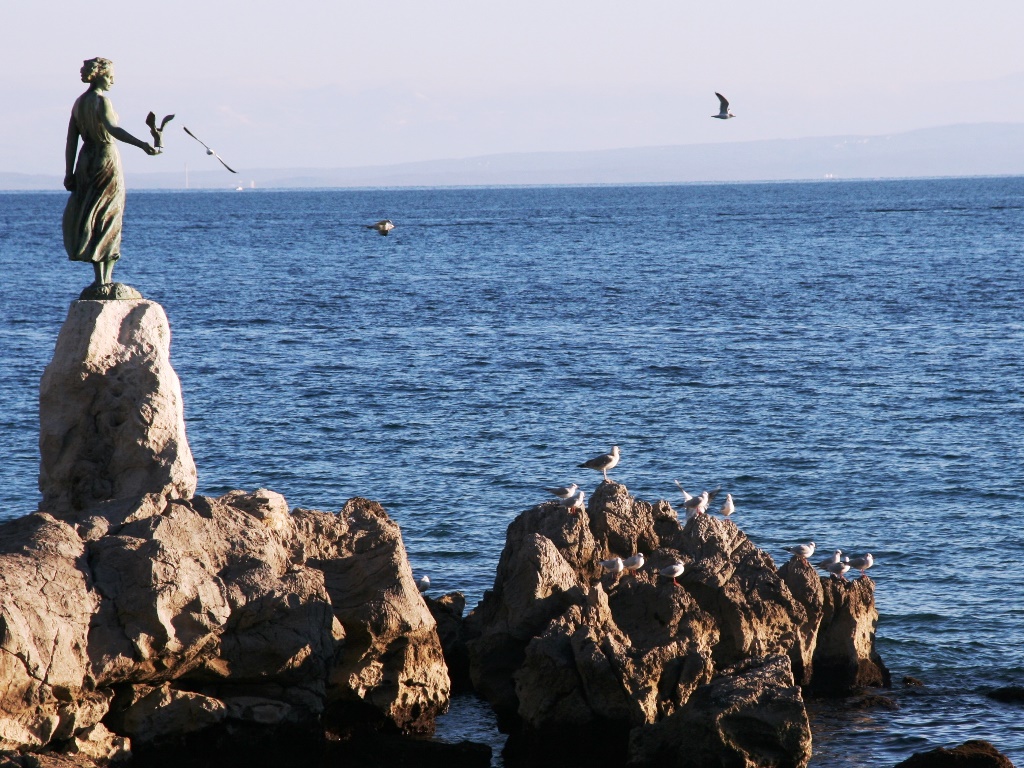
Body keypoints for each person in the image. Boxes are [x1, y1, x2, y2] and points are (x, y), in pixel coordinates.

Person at [62, 58, 157, 290]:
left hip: (85, 161)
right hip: (105, 158)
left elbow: (71, 141)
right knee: (109, 214)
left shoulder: (79, 103)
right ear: (98, 75)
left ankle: (100, 279)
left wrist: (69, 171)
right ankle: (105, 279)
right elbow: (113, 130)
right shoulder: (101, 101)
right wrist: (142, 144)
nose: (112, 80)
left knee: (93, 213)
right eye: (109, 75)